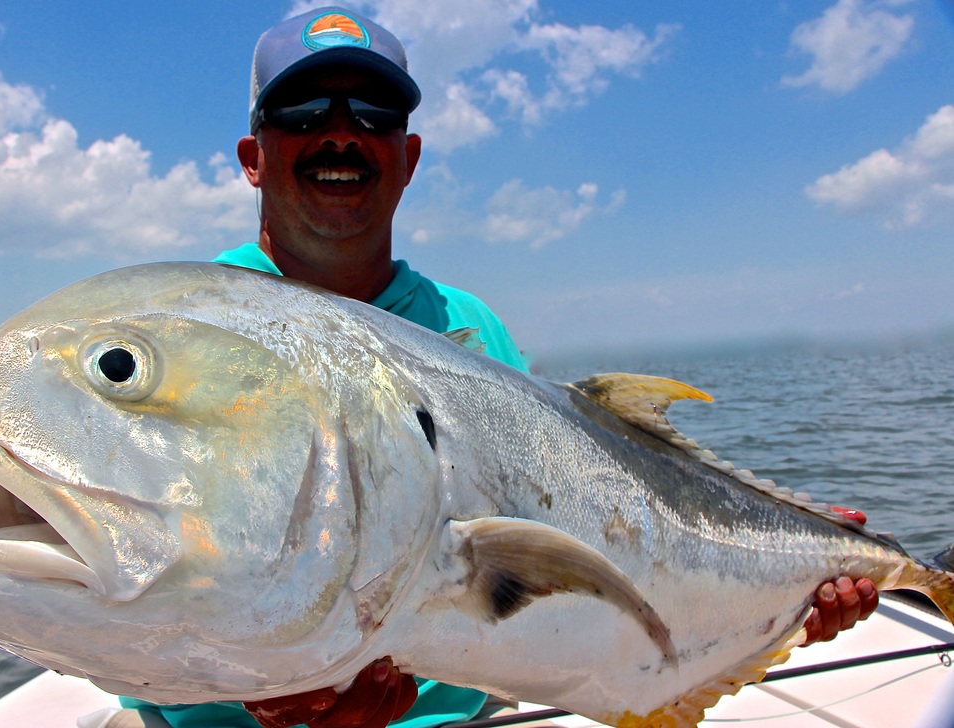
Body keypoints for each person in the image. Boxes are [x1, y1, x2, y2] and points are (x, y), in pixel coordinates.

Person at [114, 7, 878, 728]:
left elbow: (583, 548)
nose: (341, 135)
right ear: (254, 156)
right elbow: (98, 584)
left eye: (374, 116)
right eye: (305, 114)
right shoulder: (188, 337)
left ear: (407, 158)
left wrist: (776, 593)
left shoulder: (470, 330)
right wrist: (254, 696)